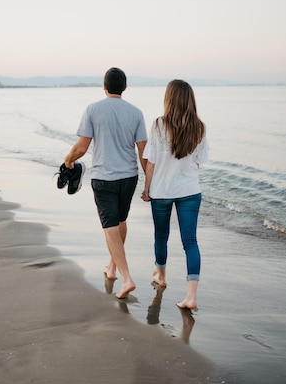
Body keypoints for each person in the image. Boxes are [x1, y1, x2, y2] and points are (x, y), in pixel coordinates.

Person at [63, 67, 148, 299]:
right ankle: (111, 268)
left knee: (109, 226)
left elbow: (82, 147)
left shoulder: (93, 110)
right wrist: (148, 183)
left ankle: (126, 277)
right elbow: (143, 152)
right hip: (129, 177)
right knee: (120, 220)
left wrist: (68, 160)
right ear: (125, 87)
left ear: (104, 86)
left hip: (104, 177)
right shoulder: (136, 113)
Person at [141, 79, 209, 310]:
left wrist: (146, 188)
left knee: (161, 236)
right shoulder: (199, 127)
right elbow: (199, 162)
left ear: (169, 98)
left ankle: (161, 276)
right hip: (190, 191)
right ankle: (191, 297)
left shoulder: (159, 125)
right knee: (190, 242)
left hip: (161, 190)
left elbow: (151, 162)